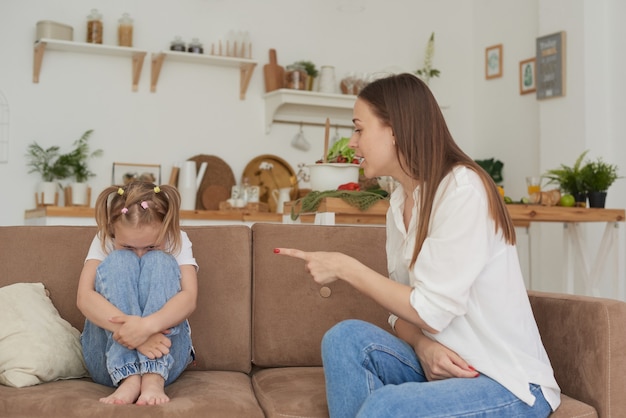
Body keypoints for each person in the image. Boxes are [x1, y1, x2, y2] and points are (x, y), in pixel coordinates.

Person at [275, 73, 560, 417]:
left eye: (359, 129)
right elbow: (401, 312)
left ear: (394, 130)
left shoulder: (462, 190)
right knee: (344, 339)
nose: (352, 142)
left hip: (505, 381)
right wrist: (423, 345)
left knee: (387, 406)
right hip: (445, 364)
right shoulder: (400, 200)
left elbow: (430, 311)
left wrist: (345, 267)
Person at [77, 181, 198, 405]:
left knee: (160, 261)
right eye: (129, 246)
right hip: (105, 359)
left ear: (167, 229)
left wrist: (146, 328)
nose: (140, 254)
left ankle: (152, 378)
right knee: (120, 261)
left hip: (165, 358)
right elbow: (84, 297)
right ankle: (129, 378)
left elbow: (189, 298)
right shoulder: (104, 239)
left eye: (151, 246)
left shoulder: (177, 239)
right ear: (113, 232)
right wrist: (136, 336)